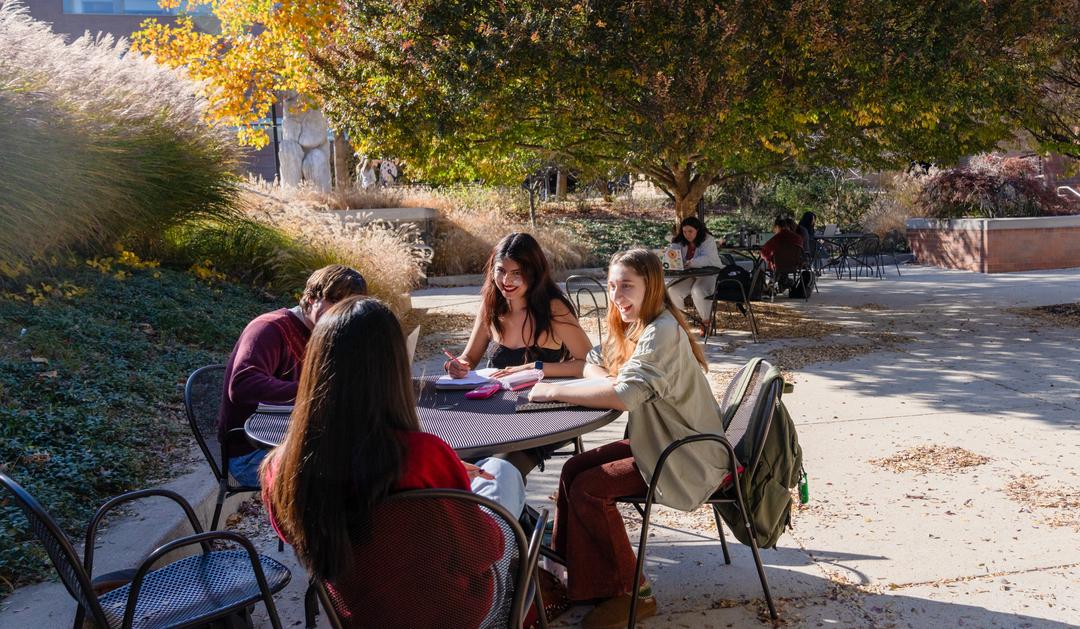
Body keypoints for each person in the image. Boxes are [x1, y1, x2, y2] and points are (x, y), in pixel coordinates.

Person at [261, 297, 525, 627]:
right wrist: (453, 484)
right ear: (394, 369)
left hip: (359, 614)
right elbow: (482, 551)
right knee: (503, 473)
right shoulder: (424, 456)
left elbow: (295, 537)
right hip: (452, 612)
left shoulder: (281, 468)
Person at [527, 249, 729, 629]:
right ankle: (577, 580)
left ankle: (634, 592)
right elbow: (597, 362)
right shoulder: (643, 325)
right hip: (661, 441)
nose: (617, 296)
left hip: (684, 454)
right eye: (612, 286)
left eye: (627, 287)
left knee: (589, 488)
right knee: (573, 470)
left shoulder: (662, 332)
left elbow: (624, 395)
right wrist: (555, 372)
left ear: (650, 286)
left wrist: (553, 392)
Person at [444, 232, 592, 476]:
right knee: (455, 461)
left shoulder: (553, 308)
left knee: (499, 469)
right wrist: (457, 365)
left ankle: (507, 513)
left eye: (517, 273)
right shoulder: (491, 304)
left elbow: (589, 365)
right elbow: (468, 358)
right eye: (501, 271)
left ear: (534, 273)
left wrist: (536, 367)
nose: (506, 281)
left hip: (542, 415)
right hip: (494, 413)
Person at [217, 264, 367, 487]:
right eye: (334, 302)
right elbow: (241, 385)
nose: (340, 314)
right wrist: (318, 390)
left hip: (296, 439)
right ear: (310, 298)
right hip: (253, 453)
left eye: (347, 308)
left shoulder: (325, 333)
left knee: (372, 458)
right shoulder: (270, 329)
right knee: (348, 477)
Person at [665, 216, 724, 329]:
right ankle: (680, 323)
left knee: (698, 290)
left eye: (690, 231)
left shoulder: (708, 239)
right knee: (673, 290)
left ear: (698, 230)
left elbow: (708, 258)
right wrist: (670, 258)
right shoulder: (680, 240)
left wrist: (691, 263)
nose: (687, 234)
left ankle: (706, 322)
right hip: (689, 275)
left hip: (709, 273)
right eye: (684, 231)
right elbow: (672, 254)